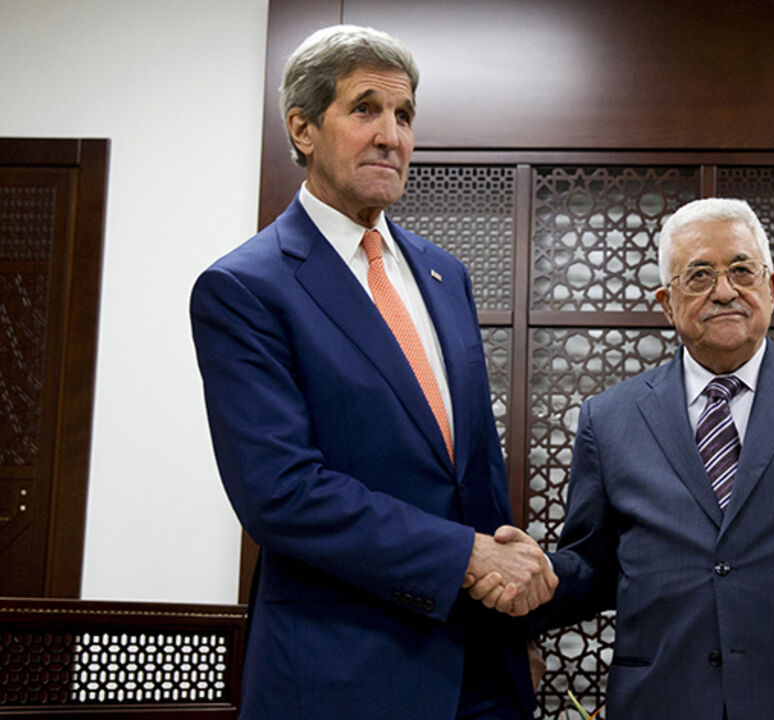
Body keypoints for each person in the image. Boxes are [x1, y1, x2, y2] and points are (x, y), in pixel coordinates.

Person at [190, 25, 554, 720]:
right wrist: (467, 560)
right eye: (365, 109)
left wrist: (513, 617)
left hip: (483, 669)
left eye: (405, 115)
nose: (392, 135)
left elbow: (467, 467)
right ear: (302, 128)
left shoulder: (446, 274)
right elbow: (281, 494)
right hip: (346, 672)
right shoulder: (245, 288)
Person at [477, 198, 774, 718]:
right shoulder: (609, 419)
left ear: (770, 286)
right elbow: (594, 565)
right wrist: (536, 572)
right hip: (664, 700)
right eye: (698, 275)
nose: (725, 291)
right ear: (666, 302)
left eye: (742, 270)